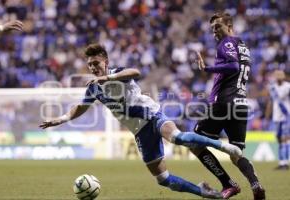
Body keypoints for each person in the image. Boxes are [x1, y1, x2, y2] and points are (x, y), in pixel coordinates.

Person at [39, 43, 243, 199]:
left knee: (177, 137)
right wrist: (62, 118)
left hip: (151, 114)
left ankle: (225, 147)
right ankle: (204, 192)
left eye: (96, 63)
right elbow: (81, 107)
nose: (93, 68)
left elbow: (135, 72)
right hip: (139, 131)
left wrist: (108, 78)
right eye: (90, 64)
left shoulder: (116, 74)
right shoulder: (93, 88)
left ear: (105, 62)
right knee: (163, 180)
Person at [194, 12, 265, 199]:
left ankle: (228, 184)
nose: (215, 31)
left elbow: (233, 67)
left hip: (224, 103)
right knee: (237, 154)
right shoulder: (243, 46)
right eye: (212, 29)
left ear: (229, 25)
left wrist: (207, 68)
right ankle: (255, 184)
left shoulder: (226, 43)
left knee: (194, 142)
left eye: (218, 26)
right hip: (241, 103)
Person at [265, 70, 290, 170]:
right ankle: (281, 162)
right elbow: (270, 102)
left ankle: (285, 162)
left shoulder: (288, 86)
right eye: (277, 76)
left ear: (283, 77)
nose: (279, 77)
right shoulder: (272, 87)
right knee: (279, 138)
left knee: (285, 137)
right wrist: (267, 115)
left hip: (286, 115)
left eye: (280, 76)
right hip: (276, 116)